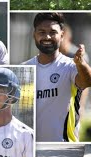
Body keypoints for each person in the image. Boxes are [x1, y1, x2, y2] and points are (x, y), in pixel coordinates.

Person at [23, 13, 91, 142]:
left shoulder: (71, 65)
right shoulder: (25, 67)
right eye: (42, 32)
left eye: (52, 32)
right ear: (34, 34)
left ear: (62, 35)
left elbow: (87, 82)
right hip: (31, 148)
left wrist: (81, 64)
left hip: (63, 148)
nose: (47, 36)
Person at [59, 23, 90, 119]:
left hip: (74, 99)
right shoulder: (53, 55)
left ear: (68, 39)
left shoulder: (78, 55)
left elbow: (85, 83)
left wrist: (81, 105)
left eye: (62, 38)